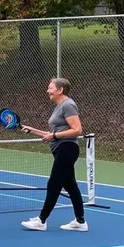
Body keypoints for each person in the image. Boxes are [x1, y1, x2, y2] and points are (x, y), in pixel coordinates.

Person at [19, 78, 88, 232]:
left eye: (50, 88)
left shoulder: (68, 105)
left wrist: (55, 136)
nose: (47, 91)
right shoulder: (59, 107)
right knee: (70, 185)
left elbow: (77, 130)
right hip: (60, 149)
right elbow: (52, 133)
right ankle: (80, 221)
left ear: (60, 90)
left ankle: (42, 220)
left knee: (54, 184)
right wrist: (32, 130)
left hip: (67, 149)